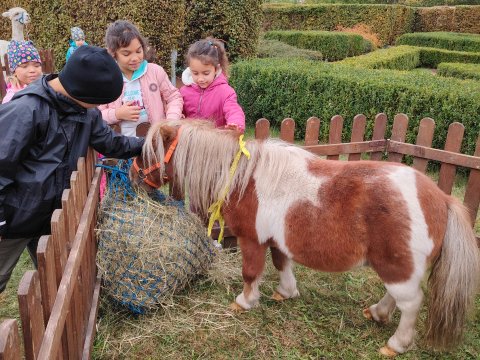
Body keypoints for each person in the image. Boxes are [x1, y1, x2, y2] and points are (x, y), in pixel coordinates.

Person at [0, 45, 144, 293]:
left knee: (53, 274)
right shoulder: (27, 110)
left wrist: (148, 146)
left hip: (52, 216)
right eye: (96, 103)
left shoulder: (84, 113)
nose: (97, 108)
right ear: (81, 93)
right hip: (15, 217)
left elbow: (110, 142)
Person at [99, 20, 183, 137]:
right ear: (113, 53)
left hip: (156, 142)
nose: (135, 58)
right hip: (122, 149)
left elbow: (174, 98)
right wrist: (117, 114)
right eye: (126, 54)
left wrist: (170, 121)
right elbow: (96, 114)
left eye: (138, 51)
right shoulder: (107, 80)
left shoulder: (155, 71)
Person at [180, 38, 245, 132]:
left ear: (216, 69)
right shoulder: (184, 91)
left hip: (215, 143)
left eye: (206, 73)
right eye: (195, 73)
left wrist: (235, 124)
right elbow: (177, 109)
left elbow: (233, 110)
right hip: (191, 142)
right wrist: (178, 116)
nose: (200, 79)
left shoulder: (225, 92)